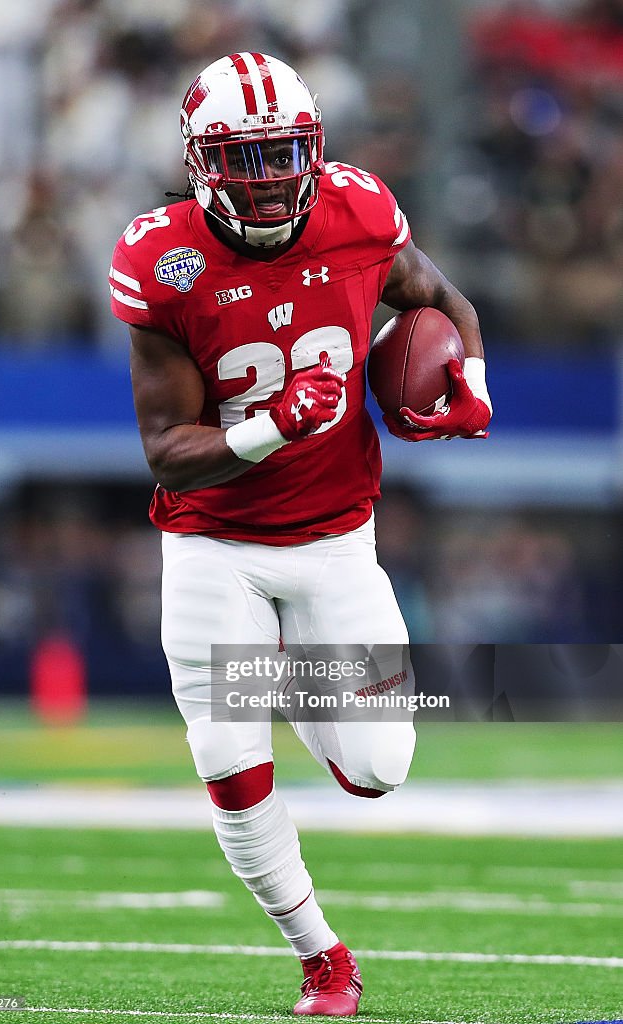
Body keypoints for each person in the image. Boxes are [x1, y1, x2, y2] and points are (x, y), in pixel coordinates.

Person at [109, 52, 492, 1017]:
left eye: (286, 152)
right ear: (202, 166)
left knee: (377, 770)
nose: (273, 175)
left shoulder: (361, 211)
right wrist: (271, 423)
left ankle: (266, 670)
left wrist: (469, 380)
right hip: (212, 541)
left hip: (334, 535)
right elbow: (166, 451)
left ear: (314, 148)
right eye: (248, 158)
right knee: (229, 763)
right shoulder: (166, 260)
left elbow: (441, 300)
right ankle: (323, 957)